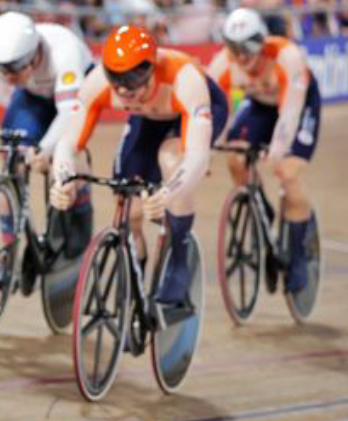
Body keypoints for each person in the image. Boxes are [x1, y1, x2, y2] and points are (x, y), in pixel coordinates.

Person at [51, 25, 228, 313]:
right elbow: (68, 142)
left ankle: (179, 256)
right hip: (148, 117)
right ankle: (134, 275)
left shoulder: (184, 79)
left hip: (192, 112)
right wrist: (62, 180)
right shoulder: (97, 83)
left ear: (152, 71)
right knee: (128, 204)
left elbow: (197, 157)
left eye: (133, 85)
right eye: (117, 84)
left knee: (170, 156)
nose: (124, 93)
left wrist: (169, 193)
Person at [0, 11, 95, 284]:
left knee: (67, 152)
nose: (7, 77)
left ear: (34, 55)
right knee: (10, 158)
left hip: (76, 93)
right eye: (3, 70)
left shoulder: (63, 52)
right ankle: (7, 249)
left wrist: (45, 149)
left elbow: (68, 115)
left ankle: (80, 210)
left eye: (14, 70)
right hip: (33, 96)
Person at [208, 7, 320, 292]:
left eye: (247, 46)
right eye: (234, 47)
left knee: (287, 171)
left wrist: (278, 149)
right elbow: (211, 114)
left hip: (299, 104)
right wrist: (204, 153)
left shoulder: (287, 56)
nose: (241, 56)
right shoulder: (222, 64)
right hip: (260, 106)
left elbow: (290, 114)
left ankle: (297, 257)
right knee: (234, 156)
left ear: (261, 40)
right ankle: (260, 208)